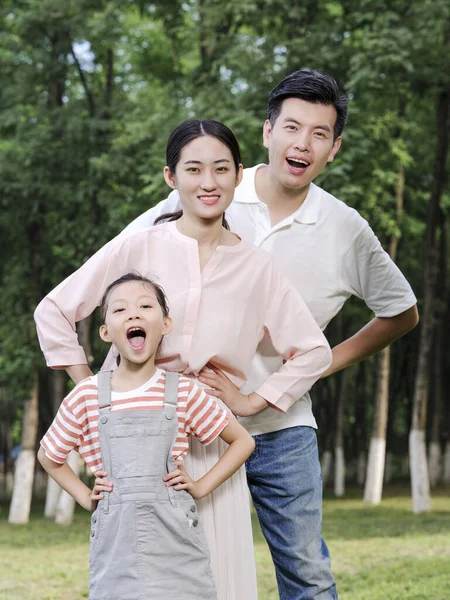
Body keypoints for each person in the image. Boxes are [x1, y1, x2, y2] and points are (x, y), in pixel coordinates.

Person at [118, 70, 419, 599]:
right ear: (267, 132)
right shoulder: (215, 188)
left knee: (307, 573)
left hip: (284, 428)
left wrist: (309, 369)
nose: (302, 143)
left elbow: (401, 312)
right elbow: (124, 270)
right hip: (189, 429)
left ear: (334, 149)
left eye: (320, 133)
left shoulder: (345, 228)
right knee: (185, 572)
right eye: (292, 127)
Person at [34, 119, 333, 600]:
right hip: (134, 441)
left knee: (218, 576)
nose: (208, 182)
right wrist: (93, 390)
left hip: (209, 441)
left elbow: (314, 349)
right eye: (193, 169)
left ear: (239, 175)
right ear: (171, 178)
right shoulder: (140, 245)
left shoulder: (256, 267)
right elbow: (53, 309)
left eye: (220, 169)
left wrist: (254, 400)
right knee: (137, 577)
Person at [38, 272, 255, 600]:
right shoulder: (87, 395)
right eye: (120, 309)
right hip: (116, 542)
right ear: (106, 332)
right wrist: (85, 497)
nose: (134, 314)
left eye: (144, 306)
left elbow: (243, 441)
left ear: (165, 324)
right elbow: (48, 456)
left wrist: (200, 486)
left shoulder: (183, 391)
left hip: (175, 540)